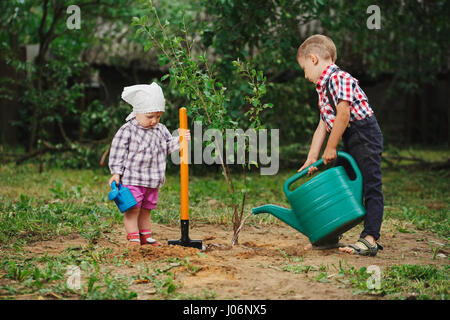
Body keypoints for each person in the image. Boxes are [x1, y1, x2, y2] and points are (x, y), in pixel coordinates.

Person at [296, 34, 384, 256]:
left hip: (364, 134)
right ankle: (331, 235)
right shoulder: (322, 87)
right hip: (348, 135)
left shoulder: (338, 78)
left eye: (304, 68)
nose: (305, 75)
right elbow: (323, 125)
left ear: (313, 59)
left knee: (371, 185)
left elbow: (343, 115)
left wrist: (331, 148)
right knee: (339, 183)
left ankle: (370, 238)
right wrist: (312, 157)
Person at [108, 83, 190, 247]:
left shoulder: (160, 130)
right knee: (133, 209)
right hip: (133, 179)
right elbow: (118, 151)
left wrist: (180, 140)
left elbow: (166, 146)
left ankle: (145, 236)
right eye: (150, 116)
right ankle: (133, 237)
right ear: (137, 112)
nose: (154, 121)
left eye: (158, 116)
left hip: (153, 180)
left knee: (146, 209)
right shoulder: (128, 130)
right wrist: (116, 172)